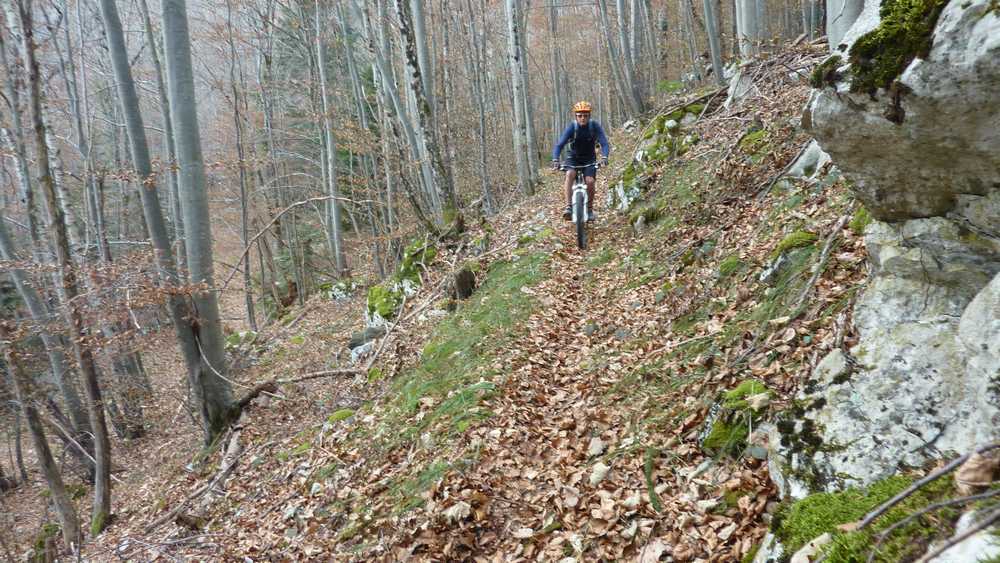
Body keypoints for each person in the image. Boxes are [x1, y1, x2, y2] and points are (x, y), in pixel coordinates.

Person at [551, 101, 610, 222]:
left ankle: (589, 209)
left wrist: (604, 157)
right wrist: (555, 159)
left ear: (589, 116)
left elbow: (604, 143)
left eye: (585, 115)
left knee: (590, 181)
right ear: (576, 116)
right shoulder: (572, 127)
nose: (582, 118)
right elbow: (559, 145)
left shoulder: (594, 126)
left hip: (589, 158)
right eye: (579, 115)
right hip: (573, 158)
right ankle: (568, 207)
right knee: (570, 174)